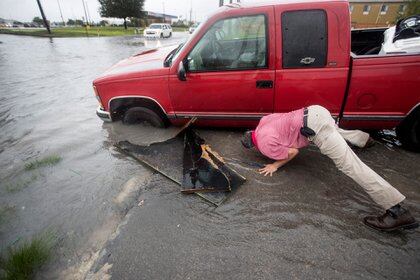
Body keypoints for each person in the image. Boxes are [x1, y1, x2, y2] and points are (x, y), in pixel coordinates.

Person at [241, 105, 418, 232]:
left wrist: (274, 165)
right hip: (315, 111)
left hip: (314, 128)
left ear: (252, 146)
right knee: (333, 130)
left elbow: (293, 152)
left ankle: (397, 210)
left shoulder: (263, 145)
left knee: (350, 165)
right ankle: (365, 140)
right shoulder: (263, 121)